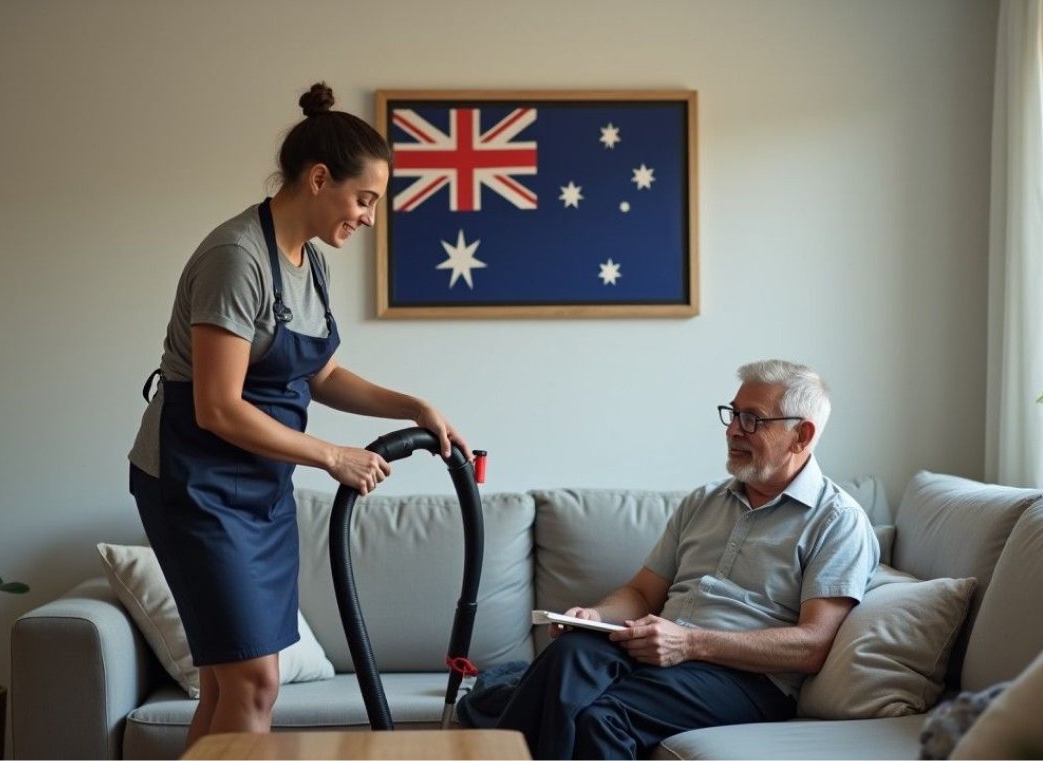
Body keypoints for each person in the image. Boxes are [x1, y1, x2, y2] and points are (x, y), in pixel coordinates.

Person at [126, 81, 471, 748]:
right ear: (319, 178)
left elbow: (323, 374)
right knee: (253, 683)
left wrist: (416, 407)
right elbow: (218, 406)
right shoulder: (237, 258)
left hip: (260, 486)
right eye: (364, 198)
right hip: (194, 484)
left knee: (236, 685)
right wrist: (334, 456)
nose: (370, 216)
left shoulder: (309, 262)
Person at [496, 359, 878, 759]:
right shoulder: (704, 501)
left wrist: (691, 643)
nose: (732, 430)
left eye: (752, 419)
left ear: (802, 434)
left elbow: (812, 645)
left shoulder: (838, 521)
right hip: (661, 649)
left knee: (602, 717)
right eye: (732, 414)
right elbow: (643, 594)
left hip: (747, 679)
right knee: (568, 653)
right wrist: (596, 616)